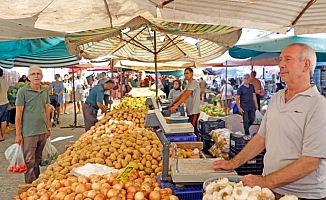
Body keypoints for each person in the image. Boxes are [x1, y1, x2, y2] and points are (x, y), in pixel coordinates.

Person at [213, 43, 326, 199]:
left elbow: (311, 161)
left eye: (287, 59)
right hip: (271, 191)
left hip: (303, 195)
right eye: (280, 60)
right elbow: (261, 138)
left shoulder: (318, 105)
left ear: (305, 65)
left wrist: (265, 181)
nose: (281, 64)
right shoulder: (276, 98)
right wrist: (233, 163)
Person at [15, 66, 51, 184]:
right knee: (29, 161)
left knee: (38, 160)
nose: (36, 76)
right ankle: (30, 186)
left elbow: (47, 109)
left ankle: (37, 183)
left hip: (42, 130)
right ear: (29, 77)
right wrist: (18, 134)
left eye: (38, 74)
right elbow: (18, 114)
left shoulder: (45, 90)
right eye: (33, 74)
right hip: (29, 132)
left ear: (41, 76)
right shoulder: (23, 92)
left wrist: (48, 127)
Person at [168, 68, 200, 138]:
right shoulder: (188, 84)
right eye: (185, 73)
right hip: (189, 110)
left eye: (187, 73)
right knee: (192, 128)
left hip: (194, 110)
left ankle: (198, 144)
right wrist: (172, 103)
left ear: (192, 74)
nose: (186, 75)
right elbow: (182, 95)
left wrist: (176, 106)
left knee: (192, 129)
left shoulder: (194, 83)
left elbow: (186, 95)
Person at [236, 74, 258, 139]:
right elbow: (237, 98)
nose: (246, 79)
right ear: (243, 79)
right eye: (244, 78)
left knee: (252, 119)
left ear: (249, 79)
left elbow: (254, 95)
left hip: (251, 105)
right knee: (245, 120)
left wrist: (256, 104)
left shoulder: (251, 86)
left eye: (247, 78)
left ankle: (246, 127)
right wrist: (239, 107)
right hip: (244, 106)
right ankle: (247, 133)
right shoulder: (240, 88)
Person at [0, 68, 9, 141]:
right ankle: (2, 136)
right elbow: (8, 91)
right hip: (5, 102)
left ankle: (0, 136)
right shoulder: (5, 82)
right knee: (3, 120)